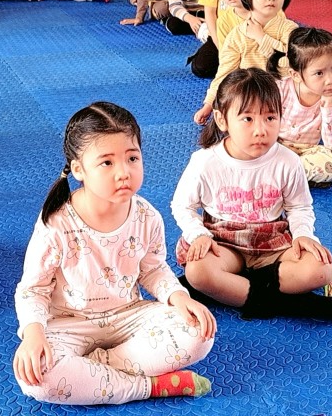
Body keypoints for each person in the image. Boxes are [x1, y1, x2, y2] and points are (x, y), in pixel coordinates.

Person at [13, 102, 215, 406]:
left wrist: (179, 297)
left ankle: (94, 372)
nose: (124, 172)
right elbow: (33, 289)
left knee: (199, 334)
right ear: (78, 169)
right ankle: (149, 387)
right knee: (37, 378)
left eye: (132, 158)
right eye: (107, 162)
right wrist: (33, 334)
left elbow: (153, 269)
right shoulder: (55, 223)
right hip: (69, 323)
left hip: (129, 315)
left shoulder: (147, 216)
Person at [172, 68, 332, 321]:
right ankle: (294, 304)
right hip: (223, 242)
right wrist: (199, 235)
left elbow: (299, 207)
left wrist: (304, 235)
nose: (260, 130)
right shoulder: (205, 162)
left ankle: (236, 290)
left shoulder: (288, 160)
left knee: (321, 269)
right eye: (247, 119)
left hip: (272, 242)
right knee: (197, 272)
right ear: (222, 119)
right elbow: (182, 206)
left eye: (270, 117)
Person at [194, 0, 297, 121]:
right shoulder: (237, 34)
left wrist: (261, 37)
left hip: (285, 95)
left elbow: (290, 65)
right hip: (251, 94)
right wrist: (209, 104)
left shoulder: (289, 28)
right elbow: (225, 71)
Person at [270, 28, 332, 187]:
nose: (331, 80)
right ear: (296, 75)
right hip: (273, 146)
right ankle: (292, 176)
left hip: (307, 154)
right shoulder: (279, 90)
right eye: (319, 73)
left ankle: (287, 175)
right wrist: (276, 148)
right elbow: (262, 127)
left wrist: (330, 107)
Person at [189, 0, 251, 78]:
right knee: (200, 67)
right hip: (233, 54)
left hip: (259, 58)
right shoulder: (223, 21)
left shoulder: (263, 13)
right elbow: (224, 53)